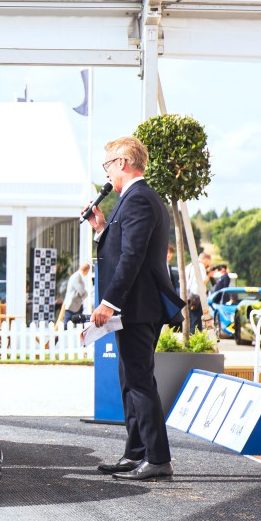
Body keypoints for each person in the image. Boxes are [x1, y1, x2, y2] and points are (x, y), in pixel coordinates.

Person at [84, 136, 184, 482]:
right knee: (130, 378)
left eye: (108, 165)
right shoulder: (132, 200)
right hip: (136, 306)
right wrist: (101, 228)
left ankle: (158, 457)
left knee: (140, 380)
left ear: (123, 163)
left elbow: (133, 256)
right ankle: (136, 452)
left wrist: (109, 302)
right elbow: (122, 247)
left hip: (138, 306)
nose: (107, 173)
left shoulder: (139, 198)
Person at [185, 251, 212, 333]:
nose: (208, 265)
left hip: (188, 294)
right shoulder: (200, 266)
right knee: (196, 321)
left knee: (191, 319)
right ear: (205, 260)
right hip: (196, 296)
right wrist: (209, 276)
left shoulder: (189, 266)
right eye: (208, 263)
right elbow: (202, 281)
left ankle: (190, 337)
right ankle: (195, 340)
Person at [61, 262, 91, 327]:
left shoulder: (78, 276)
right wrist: (86, 293)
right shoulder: (77, 276)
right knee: (67, 324)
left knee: (79, 324)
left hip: (76, 305)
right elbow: (82, 292)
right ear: (86, 270)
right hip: (72, 305)